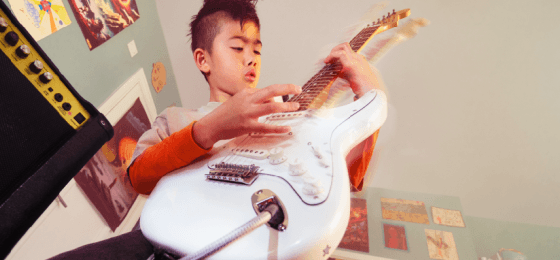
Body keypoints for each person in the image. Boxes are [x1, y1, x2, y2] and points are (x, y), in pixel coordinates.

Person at [51, 0, 384, 259]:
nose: (251, 58)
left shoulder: (286, 114)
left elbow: (345, 176)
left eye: (257, 50)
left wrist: (368, 92)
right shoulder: (177, 118)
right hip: (160, 244)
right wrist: (208, 130)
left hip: (261, 240)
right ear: (203, 60)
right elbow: (138, 176)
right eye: (238, 48)